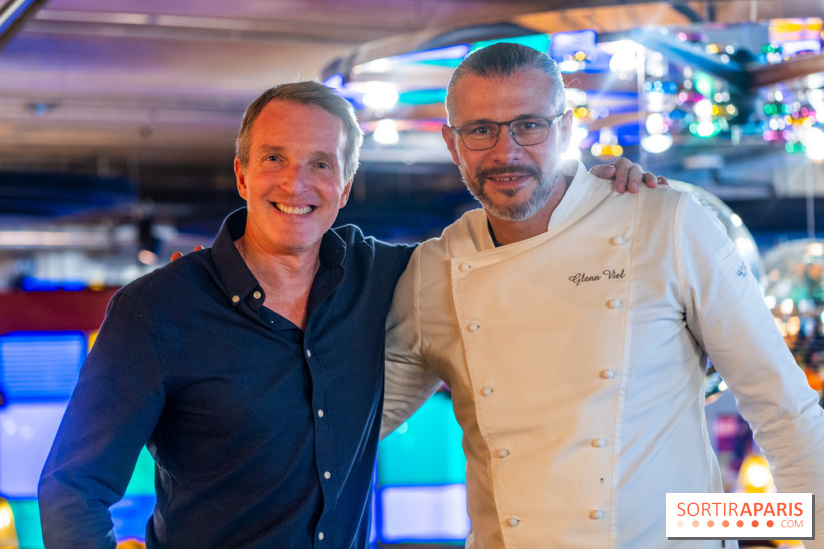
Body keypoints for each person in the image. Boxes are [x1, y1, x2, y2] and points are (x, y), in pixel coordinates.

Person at [37, 79, 657, 547]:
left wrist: (589, 191)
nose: (296, 183)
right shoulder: (155, 311)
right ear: (242, 174)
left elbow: (513, 251)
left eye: (320, 163)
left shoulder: (387, 277)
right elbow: (73, 488)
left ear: (347, 180)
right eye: (274, 158)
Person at [382, 42, 824, 548]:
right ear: (451, 142)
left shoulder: (665, 223)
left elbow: (783, 408)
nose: (506, 152)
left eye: (530, 124)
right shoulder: (434, 271)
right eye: (481, 130)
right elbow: (355, 424)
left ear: (567, 128)